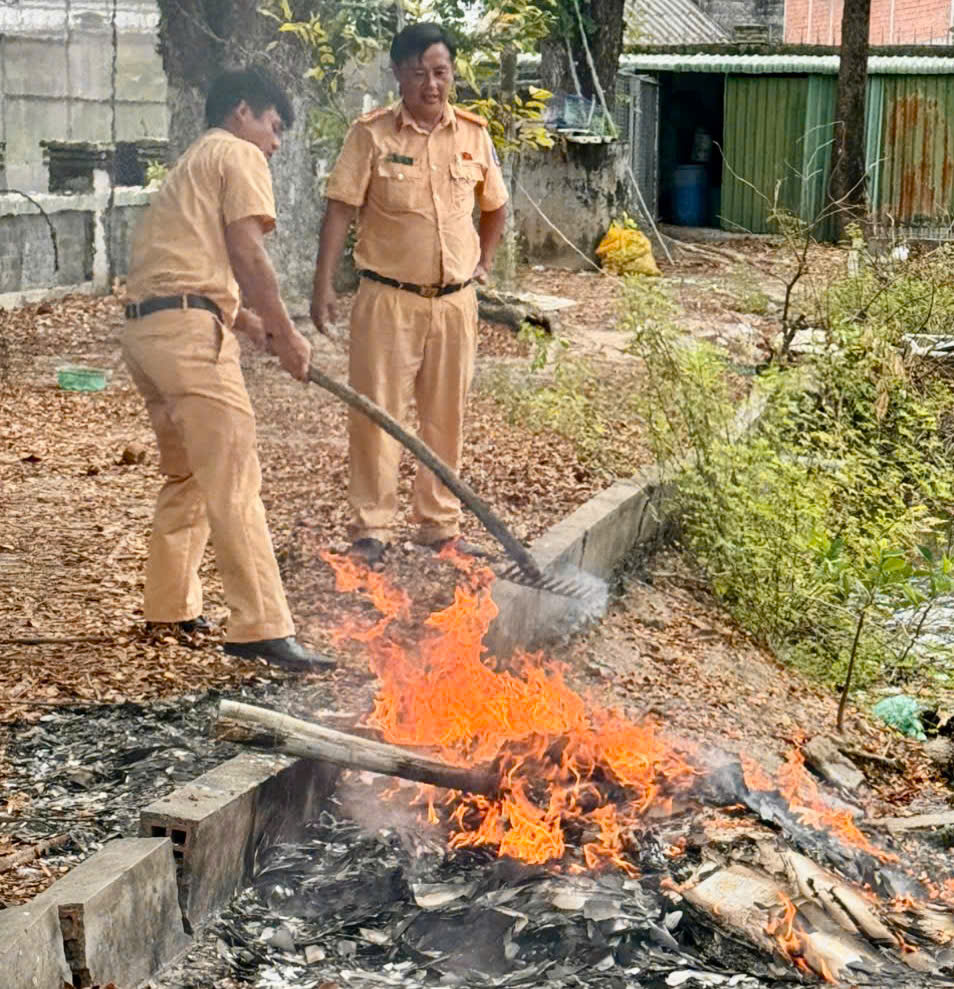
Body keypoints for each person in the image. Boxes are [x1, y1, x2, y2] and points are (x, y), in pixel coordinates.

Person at [122, 66, 333, 673]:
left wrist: (250, 324)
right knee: (235, 475)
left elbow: (190, 267)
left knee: (189, 473)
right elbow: (245, 250)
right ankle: (261, 625)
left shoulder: (191, 163)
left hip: (147, 333)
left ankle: (170, 605)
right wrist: (287, 332)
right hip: (187, 338)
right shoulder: (237, 154)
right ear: (243, 112)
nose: (275, 141)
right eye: (273, 126)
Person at [310, 22, 508, 567]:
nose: (432, 84)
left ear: (451, 74)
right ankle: (371, 529)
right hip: (387, 299)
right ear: (398, 73)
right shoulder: (371, 135)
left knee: (447, 414)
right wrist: (322, 285)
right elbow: (340, 210)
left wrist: (483, 264)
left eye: (441, 72)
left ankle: (439, 525)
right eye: (419, 72)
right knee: (378, 414)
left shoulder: (473, 134)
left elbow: (495, 207)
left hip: (454, 303)